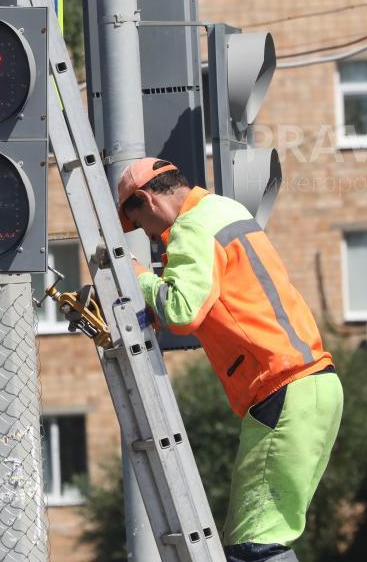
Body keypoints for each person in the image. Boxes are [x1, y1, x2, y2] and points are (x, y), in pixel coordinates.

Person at [116, 157, 343, 562]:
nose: (151, 237)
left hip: (282, 390)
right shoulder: (226, 209)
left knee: (255, 546)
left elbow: (184, 311)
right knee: (266, 536)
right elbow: (225, 299)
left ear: (146, 200)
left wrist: (140, 278)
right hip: (314, 387)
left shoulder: (190, 226)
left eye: (141, 226)